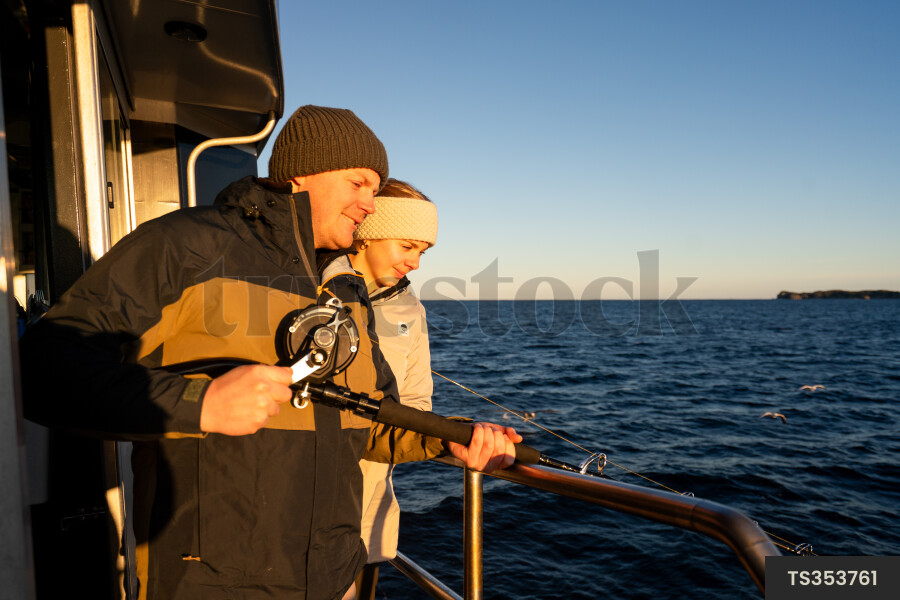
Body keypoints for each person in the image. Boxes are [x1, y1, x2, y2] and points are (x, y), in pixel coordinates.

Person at [19, 105, 521, 600]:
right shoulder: (187, 246)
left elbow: (373, 424)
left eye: (374, 188)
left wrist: (448, 439)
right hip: (209, 585)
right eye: (358, 183)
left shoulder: (345, 292)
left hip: (329, 578)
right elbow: (46, 368)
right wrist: (201, 404)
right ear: (302, 174)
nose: (371, 204)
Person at [347, 179, 438, 598]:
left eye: (422, 251)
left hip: (368, 513)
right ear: (368, 233)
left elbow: (417, 401)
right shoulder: (304, 288)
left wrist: (449, 437)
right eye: (407, 247)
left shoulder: (411, 309)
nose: (416, 264)